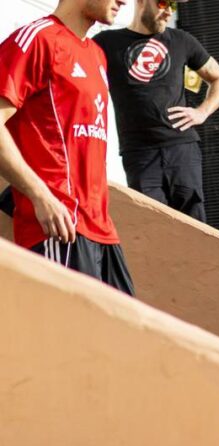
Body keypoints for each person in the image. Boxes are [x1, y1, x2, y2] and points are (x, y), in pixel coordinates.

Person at [0, 0, 135, 295]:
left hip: (103, 230)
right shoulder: (37, 39)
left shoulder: (97, 55)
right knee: (70, 338)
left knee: (125, 337)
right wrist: (40, 195)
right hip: (60, 228)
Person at [94, 0, 219, 223]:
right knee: (152, 224)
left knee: (194, 223)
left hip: (182, 148)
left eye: (174, 8)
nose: (168, 12)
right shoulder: (105, 42)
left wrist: (202, 112)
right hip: (139, 153)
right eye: (164, 3)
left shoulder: (182, 40)